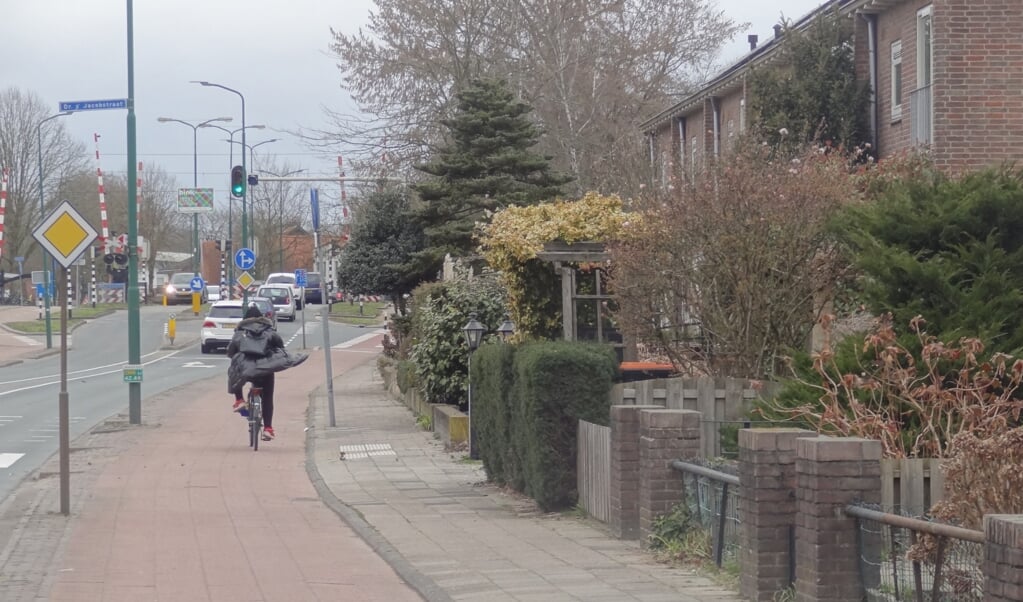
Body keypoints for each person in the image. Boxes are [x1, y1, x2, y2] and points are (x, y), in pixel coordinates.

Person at [227, 304, 285, 440]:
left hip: (246, 369)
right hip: (265, 369)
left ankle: (239, 400)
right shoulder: (269, 331)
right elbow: (280, 347)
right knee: (268, 396)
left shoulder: (240, 333)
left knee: (234, 370)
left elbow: (231, 351)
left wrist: (236, 356)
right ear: (261, 318)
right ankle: (268, 429)